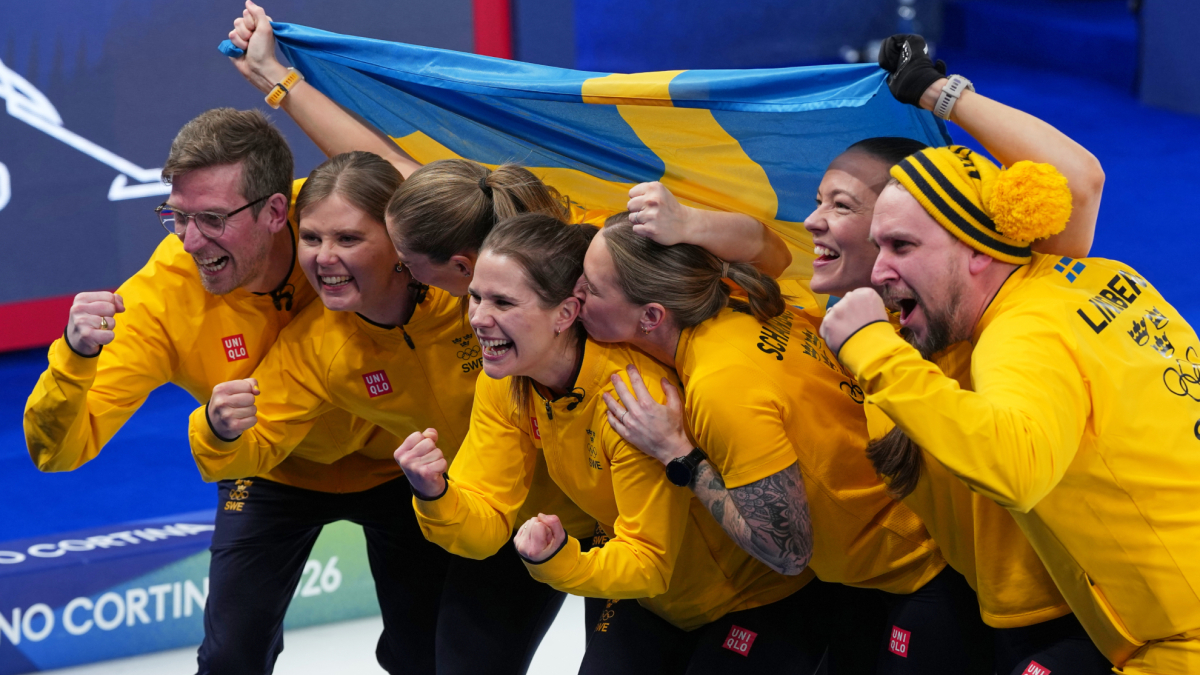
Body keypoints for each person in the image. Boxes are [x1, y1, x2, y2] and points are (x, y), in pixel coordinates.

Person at [22, 109, 406, 675]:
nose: (190, 240)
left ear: (277, 211)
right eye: (176, 216)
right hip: (268, 468)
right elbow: (56, 451)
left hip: (397, 461)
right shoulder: (160, 299)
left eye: (210, 218)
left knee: (428, 654)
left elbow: (416, 183)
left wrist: (285, 83)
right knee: (230, 660)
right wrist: (74, 359)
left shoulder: (338, 225)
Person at [189, 150, 597, 675]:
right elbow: (244, 453)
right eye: (311, 238)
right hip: (507, 522)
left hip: (615, 509)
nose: (323, 256)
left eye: (348, 239)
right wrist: (218, 429)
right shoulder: (319, 348)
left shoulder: (470, 295)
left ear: (399, 243)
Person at [577, 209, 1019, 675]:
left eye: (592, 286)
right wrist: (685, 222)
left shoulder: (720, 387)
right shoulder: (733, 292)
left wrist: (678, 454)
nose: (577, 293)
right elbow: (768, 244)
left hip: (913, 569)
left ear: (651, 315)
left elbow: (788, 553)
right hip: (900, 545)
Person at [819, 143, 1200, 675]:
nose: (880, 271)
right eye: (879, 247)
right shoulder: (1105, 278)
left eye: (902, 246)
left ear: (978, 250)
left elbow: (1014, 468)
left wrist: (872, 349)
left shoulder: (1022, 333)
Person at [396, 213, 828, 674]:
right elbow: (483, 525)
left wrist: (558, 561)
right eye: (476, 297)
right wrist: (435, 493)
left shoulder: (632, 396)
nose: (478, 318)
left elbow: (648, 561)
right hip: (655, 602)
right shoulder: (505, 383)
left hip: (755, 598)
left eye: (503, 302)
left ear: (566, 312)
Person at [801, 34, 1111, 675]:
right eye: (817, 199)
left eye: (842, 205)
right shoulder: (850, 320)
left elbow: (1079, 183)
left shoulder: (983, 306)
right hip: (959, 592)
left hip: (1074, 609)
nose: (811, 220)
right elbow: (760, 252)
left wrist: (939, 94)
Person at [225, 0, 795, 294]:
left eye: (406, 261)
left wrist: (688, 225)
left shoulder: (594, 255)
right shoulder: (456, 216)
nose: (399, 264)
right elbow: (386, 162)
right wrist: (276, 77)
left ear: (461, 266)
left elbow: (770, 251)